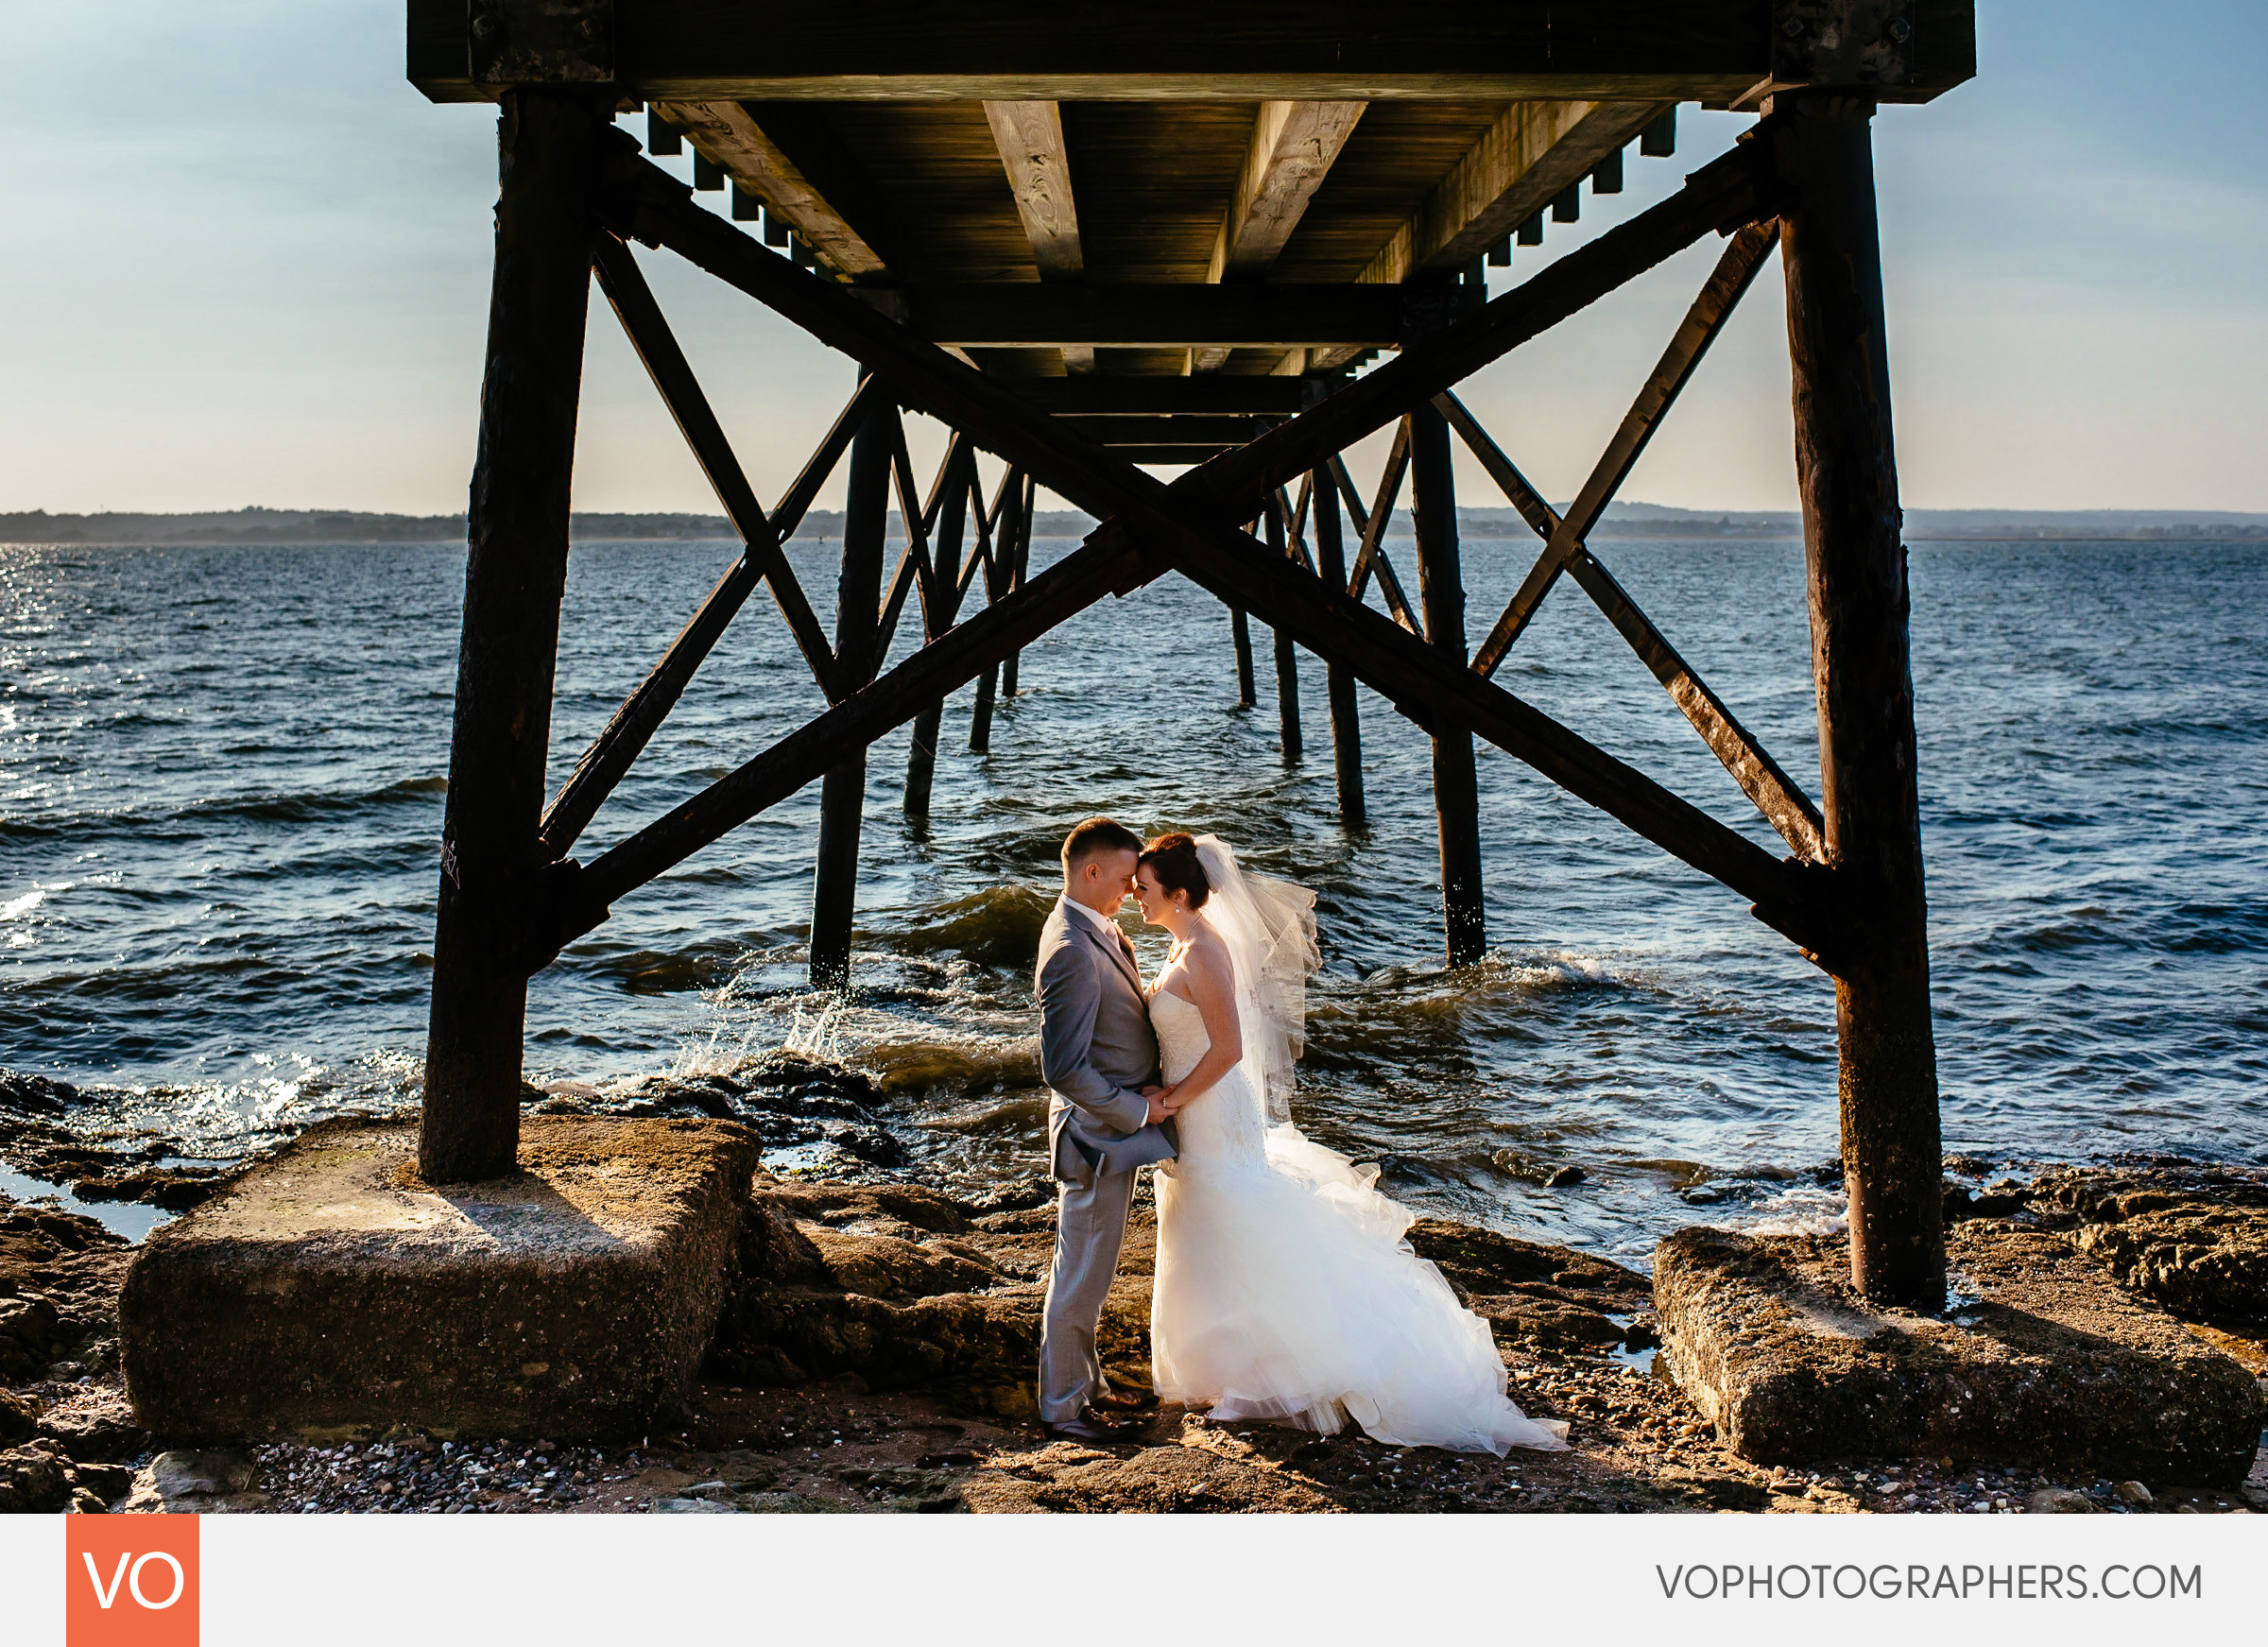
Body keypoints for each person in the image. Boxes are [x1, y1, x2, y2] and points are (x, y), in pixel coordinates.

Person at [1130, 831, 1568, 1455]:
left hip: (1209, 1110)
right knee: (1206, 1224)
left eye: (1144, 890)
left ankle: (1272, 1374)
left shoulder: (1204, 950)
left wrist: (1170, 1099)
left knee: (1230, 1217)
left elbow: (1227, 1050)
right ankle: (1228, 1366)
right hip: (1195, 1110)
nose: (1135, 899)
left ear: (1178, 892)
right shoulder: (1183, 947)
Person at [1032, 817, 1177, 1443]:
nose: (1131, 891)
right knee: (1080, 1276)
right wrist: (1136, 1110)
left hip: (1107, 1132)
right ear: (1091, 872)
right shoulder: (1069, 949)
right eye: (1123, 878)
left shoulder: (1097, 926)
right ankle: (1063, 1408)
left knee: (1091, 1271)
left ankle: (1086, 1385)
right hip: (1094, 1135)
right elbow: (1062, 1067)